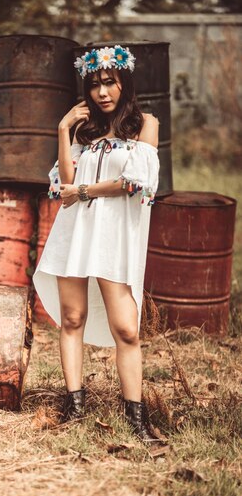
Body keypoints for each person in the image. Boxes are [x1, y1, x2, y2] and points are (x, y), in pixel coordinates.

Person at [33, 45, 163, 444]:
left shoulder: (145, 125)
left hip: (114, 238)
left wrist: (85, 189)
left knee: (126, 329)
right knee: (71, 320)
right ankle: (74, 405)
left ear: (125, 83)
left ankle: (136, 417)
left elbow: (136, 184)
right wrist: (62, 129)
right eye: (94, 85)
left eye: (110, 82)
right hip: (75, 233)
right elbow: (60, 188)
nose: (102, 92)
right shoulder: (83, 132)